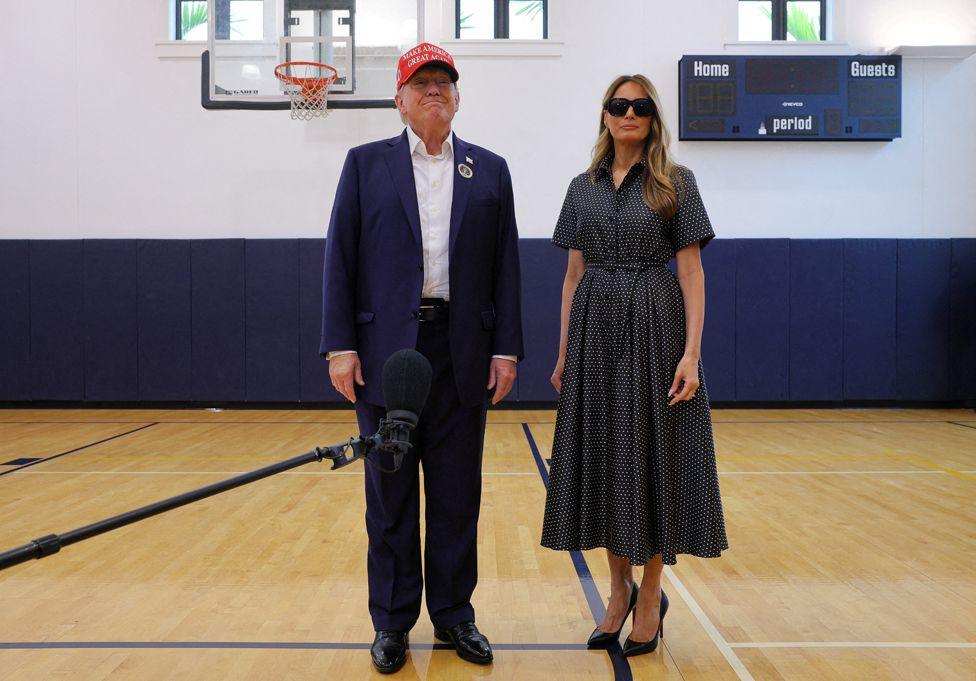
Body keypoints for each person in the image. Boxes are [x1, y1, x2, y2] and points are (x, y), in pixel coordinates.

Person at [320, 42, 523, 674]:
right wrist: (340, 346)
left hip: (462, 352)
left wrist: (506, 349)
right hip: (388, 357)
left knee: (458, 497)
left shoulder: (489, 171)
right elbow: (340, 259)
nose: (434, 90)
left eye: (444, 82)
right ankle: (392, 623)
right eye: (421, 82)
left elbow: (505, 271)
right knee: (390, 500)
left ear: (458, 98)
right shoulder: (363, 166)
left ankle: (455, 616)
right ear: (400, 99)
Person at [541, 74, 728, 657]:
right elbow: (573, 277)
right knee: (603, 461)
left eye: (640, 107)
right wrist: (564, 352)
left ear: (652, 118)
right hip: (595, 333)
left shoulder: (677, 183)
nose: (628, 114)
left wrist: (692, 353)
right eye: (618, 106)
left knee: (650, 460)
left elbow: (691, 272)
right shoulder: (581, 187)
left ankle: (651, 593)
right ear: (604, 115)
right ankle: (616, 588)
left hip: (655, 329)